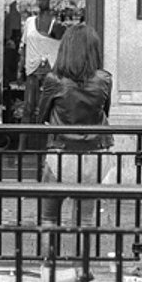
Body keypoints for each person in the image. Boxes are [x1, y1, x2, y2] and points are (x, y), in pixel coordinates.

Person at [37, 24, 113, 227]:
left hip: (61, 151)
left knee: (49, 218)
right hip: (95, 152)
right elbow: (105, 111)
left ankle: (49, 260)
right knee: (84, 219)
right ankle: (80, 260)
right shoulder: (104, 80)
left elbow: (41, 115)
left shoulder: (55, 80)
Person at [19, 0, 65, 150]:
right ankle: (21, 149)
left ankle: (46, 150)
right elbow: (24, 46)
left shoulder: (55, 23)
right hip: (32, 70)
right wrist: (21, 68)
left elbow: (61, 41)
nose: (41, 2)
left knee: (48, 109)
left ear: (49, 0)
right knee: (28, 109)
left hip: (50, 71)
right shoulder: (30, 22)